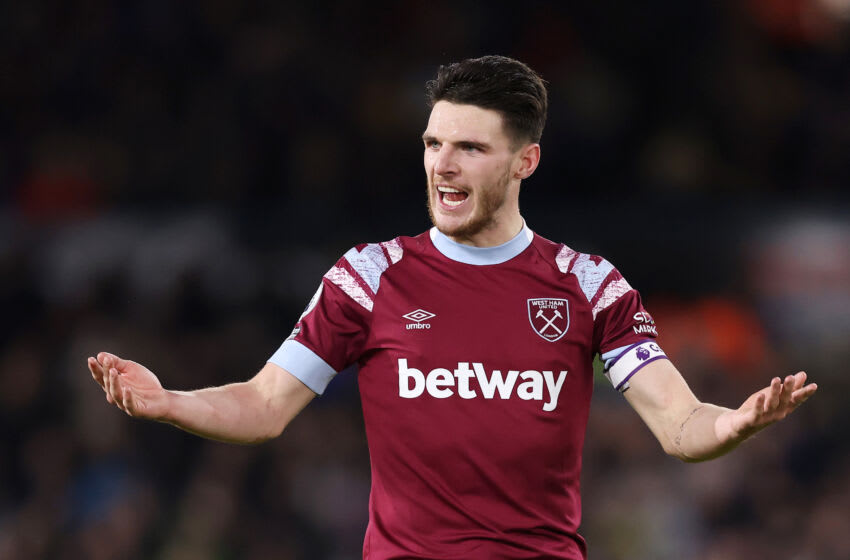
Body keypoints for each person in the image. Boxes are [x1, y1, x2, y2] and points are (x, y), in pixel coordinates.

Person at [87, 55, 817, 559]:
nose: (443, 164)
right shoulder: (369, 278)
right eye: (434, 143)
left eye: (469, 147)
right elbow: (263, 403)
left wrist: (734, 423)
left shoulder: (590, 287)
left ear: (524, 161)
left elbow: (679, 423)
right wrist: (169, 403)